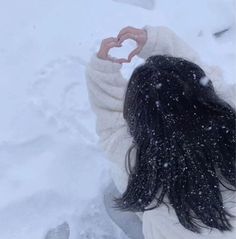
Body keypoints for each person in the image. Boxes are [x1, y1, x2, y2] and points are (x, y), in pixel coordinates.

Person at [86, 25, 236, 239]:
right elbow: (209, 83)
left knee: (126, 171)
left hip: (176, 225)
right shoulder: (229, 108)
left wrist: (101, 72)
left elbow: (112, 129)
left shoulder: (142, 166)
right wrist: (161, 46)